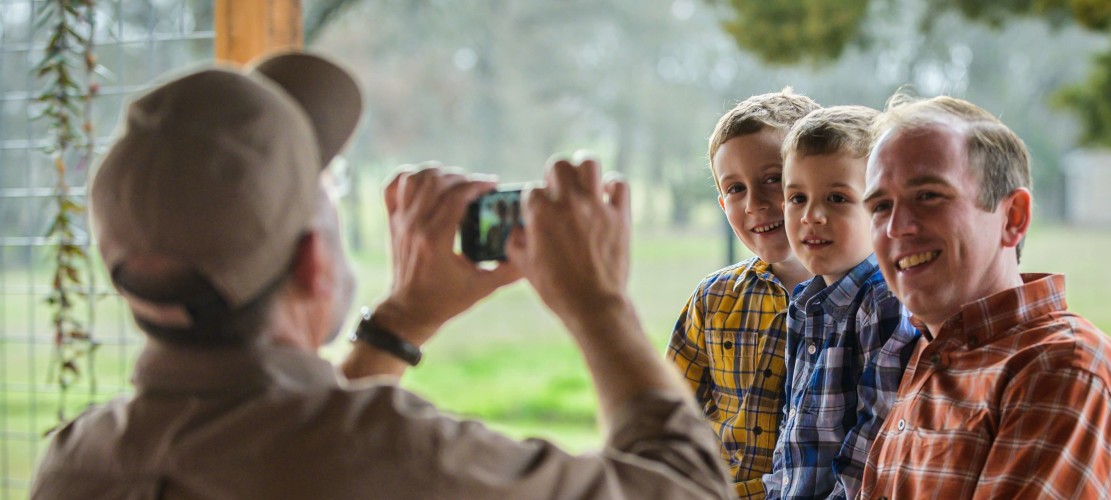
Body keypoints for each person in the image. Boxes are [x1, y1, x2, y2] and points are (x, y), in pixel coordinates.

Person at [30, 51, 733, 499]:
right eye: (326, 188)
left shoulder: (74, 464)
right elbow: (690, 490)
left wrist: (399, 324)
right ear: (313, 262)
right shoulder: (407, 459)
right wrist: (597, 304)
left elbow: (288, 442)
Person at [858, 93, 1111, 498]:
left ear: (1013, 218)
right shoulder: (936, 351)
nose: (896, 227)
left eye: (928, 195)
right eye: (879, 206)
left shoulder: (1062, 369)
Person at [666, 89, 819, 498]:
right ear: (721, 202)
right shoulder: (714, 299)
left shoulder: (869, 303)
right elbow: (670, 417)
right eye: (735, 189)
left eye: (773, 179)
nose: (754, 203)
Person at [762, 106, 918, 499]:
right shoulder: (804, 304)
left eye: (837, 198)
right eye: (797, 197)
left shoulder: (883, 300)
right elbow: (792, 429)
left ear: (879, 208)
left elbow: (877, 437)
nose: (811, 216)